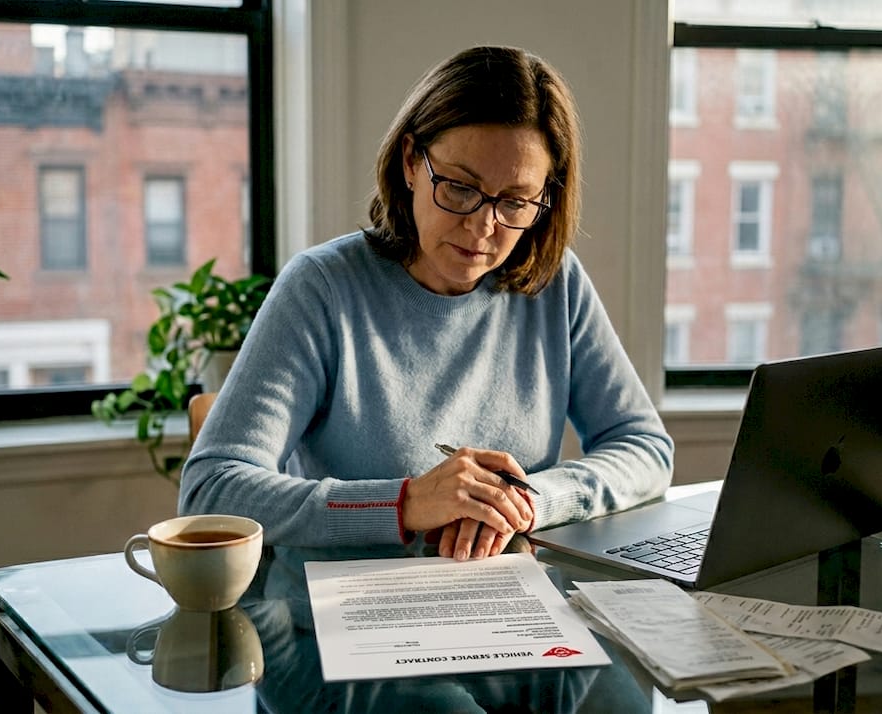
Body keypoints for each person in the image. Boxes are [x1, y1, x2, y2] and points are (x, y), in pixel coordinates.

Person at [180, 46, 673, 581]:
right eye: (460, 188)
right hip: (347, 618)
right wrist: (406, 503)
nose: (483, 228)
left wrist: (527, 502)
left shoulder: (557, 283)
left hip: (511, 608)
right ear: (411, 162)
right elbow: (213, 489)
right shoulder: (321, 287)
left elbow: (645, 449)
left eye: (514, 202)